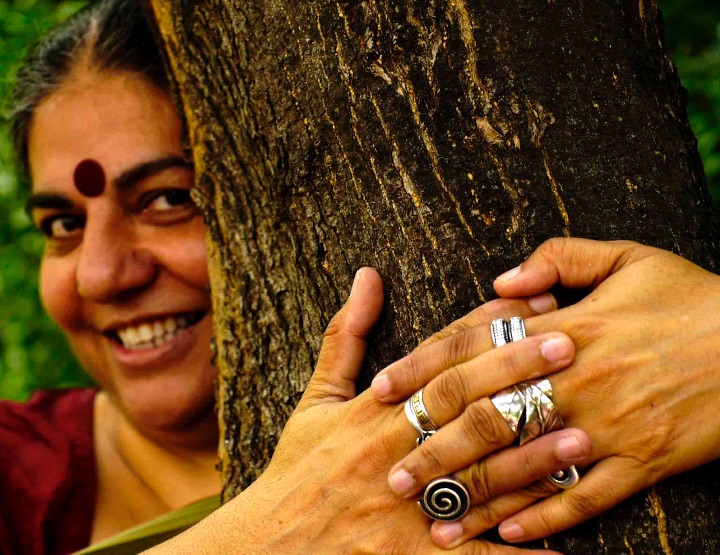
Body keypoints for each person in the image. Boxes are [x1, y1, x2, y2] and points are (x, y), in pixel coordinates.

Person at [4, 1, 592, 553]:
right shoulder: (17, 475)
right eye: (61, 224)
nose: (101, 275)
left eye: (166, 199)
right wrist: (278, 531)